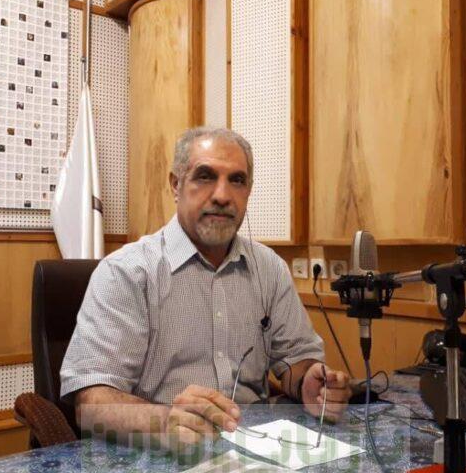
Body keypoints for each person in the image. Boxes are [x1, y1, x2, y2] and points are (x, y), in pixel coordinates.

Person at [60, 127, 352, 447]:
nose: (222, 195)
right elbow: (90, 404)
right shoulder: (126, 272)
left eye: (237, 180)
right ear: (176, 185)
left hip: (257, 447)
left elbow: (296, 360)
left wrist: (308, 381)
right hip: (158, 454)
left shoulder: (269, 269)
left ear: (248, 191)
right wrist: (164, 422)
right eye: (205, 176)